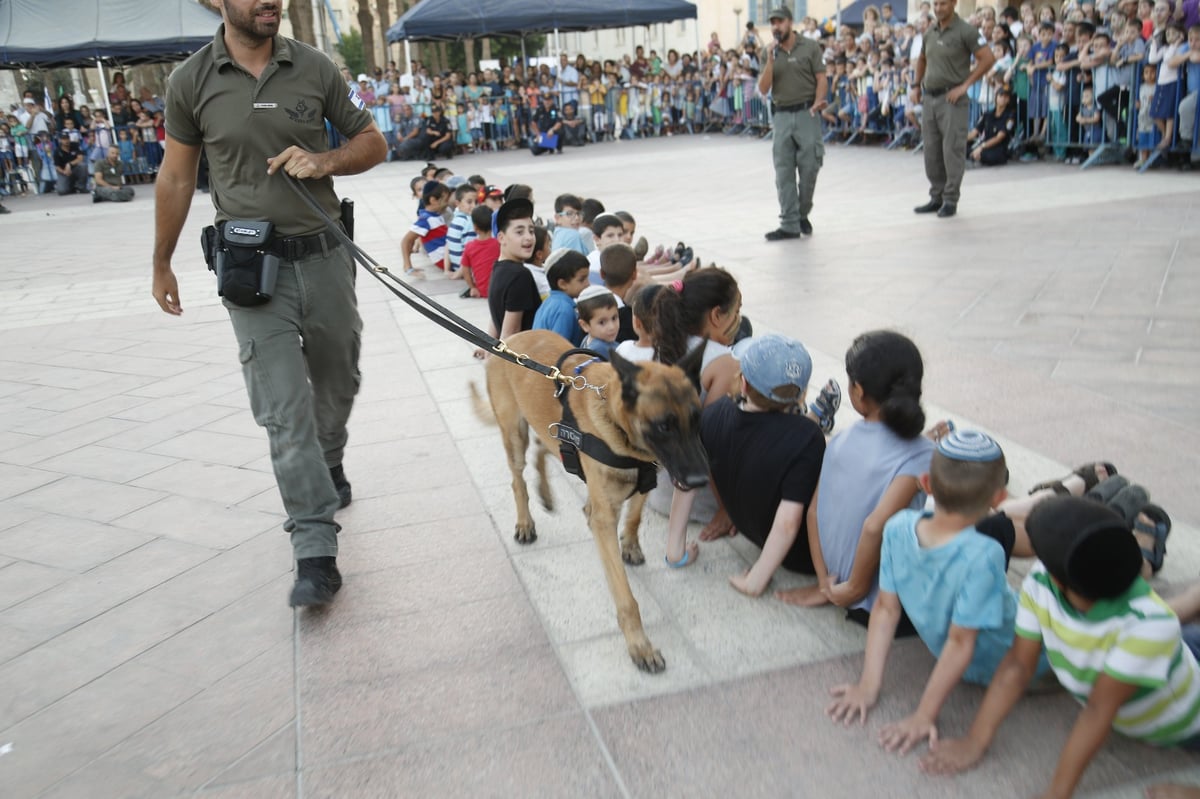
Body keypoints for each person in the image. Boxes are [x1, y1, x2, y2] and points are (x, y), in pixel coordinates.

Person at [151, 0, 388, 608]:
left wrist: (325, 160)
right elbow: (177, 178)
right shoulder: (190, 81)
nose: (270, 1)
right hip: (252, 273)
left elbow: (373, 141)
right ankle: (314, 550)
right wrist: (161, 261)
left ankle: (329, 461)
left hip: (327, 258)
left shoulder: (314, 67)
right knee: (284, 412)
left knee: (340, 380)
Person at [921, 497, 1200, 798]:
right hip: (1164, 654)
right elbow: (1018, 664)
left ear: (1061, 576)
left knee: (1172, 632)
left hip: (1190, 715)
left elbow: (1097, 711)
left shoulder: (1150, 627)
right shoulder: (1043, 580)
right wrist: (975, 740)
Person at [827, 431, 1033, 752]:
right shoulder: (982, 552)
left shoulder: (898, 526)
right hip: (1014, 651)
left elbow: (887, 609)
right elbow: (959, 640)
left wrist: (874, 687)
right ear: (999, 498)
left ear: (925, 483)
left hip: (1025, 650)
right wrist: (907, 707)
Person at [777, 330, 932, 627]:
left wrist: (826, 583)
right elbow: (875, 526)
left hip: (834, 580)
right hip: (879, 601)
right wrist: (854, 589)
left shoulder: (840, 439)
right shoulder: (923, 455)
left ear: (858, 391)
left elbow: (813, 513)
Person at [666, 335, 825, 590]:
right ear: (801, 394)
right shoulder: (807, 437)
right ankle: (819, 415)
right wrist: (756, 579)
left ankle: (674, 550)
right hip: (799, 556)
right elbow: (787, 522)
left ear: (743, 383)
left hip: (752, 531)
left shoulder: (713, 414)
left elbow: (685, 481)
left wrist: (675, 550)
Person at [912, 0, 996, 218]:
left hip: (952, 99)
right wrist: (915, 84)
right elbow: (922, 59)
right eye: (935, 4)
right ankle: (936, 196)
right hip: (930, 97)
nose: (938, 8)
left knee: (952, 151)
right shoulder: (930, 31)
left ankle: (950, 199)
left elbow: (987, 58)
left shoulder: (966, 31)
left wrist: (965, 86)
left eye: (943, 4)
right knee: (931, 151)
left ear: (954, 4)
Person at [758, 6, 829, 241]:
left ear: (790, 22)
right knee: (783, 171)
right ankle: (789, 223)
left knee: (810, 167)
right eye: (773, 23)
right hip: (781, 116)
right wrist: (769, 60)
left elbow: (821, 77)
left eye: (780, 22)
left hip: (806, 113)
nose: (776, 27)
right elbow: (763, 88)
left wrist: (818, 102)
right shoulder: (768, 53)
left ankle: (801, 213)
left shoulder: (809, 47)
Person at [486, 198, 541, 341]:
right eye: (519, 232)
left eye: (531, 230)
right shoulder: (520, 275)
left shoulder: (499, 267)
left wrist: (489, 344)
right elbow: (511, 334)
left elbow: (498, 315)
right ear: (501, 238)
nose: (529, 238)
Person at [531, 249, 590, 344]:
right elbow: (558, 349)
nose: (588, 284)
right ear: (562, 284)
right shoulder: (564, 310)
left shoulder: (549, 302)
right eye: (582, 279)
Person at [401, 181, 449, 277]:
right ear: (433, 200)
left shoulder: (436, 216)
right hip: (444, 260)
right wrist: (408, 266)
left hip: (448, 257)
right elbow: (406, 241)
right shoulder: (426, 219)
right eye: (445, 200)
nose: (447, 203)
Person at [968, 87, 1017, 164]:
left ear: (1008, 100)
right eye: (1001, 96)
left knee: (992, 157)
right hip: (985, 144)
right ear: (996, 97)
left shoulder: (1010, 117)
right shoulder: (987, 114)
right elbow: (974, 133)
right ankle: (975, 155)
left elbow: (999, 138)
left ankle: (976, 155)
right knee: (963, 147)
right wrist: (960, 141)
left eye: (1006, 97)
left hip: (998, 147)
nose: (1003, 99)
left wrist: (981, 147)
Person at [460, 205, 499, 298]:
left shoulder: (469, 247)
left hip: (481, 291)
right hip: (498, 291)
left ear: (475, 227)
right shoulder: (500, 244)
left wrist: (472, 287)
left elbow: (465, 269)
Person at [574, 285, 621, 359]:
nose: (612, 327)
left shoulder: (587, 339)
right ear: (585, 325)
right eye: (602, 322)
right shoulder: (600, 349)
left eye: (614, 318)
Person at [444, 183, 477, 276]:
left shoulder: (455, 219)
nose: (474, 205)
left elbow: (447, 245)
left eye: (476, 202)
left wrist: (446, 270)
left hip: (457, 267)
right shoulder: (469, 222)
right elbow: (470, 252)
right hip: (468, 270)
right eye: (469, 202)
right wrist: (458, 274)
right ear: (458, 203)